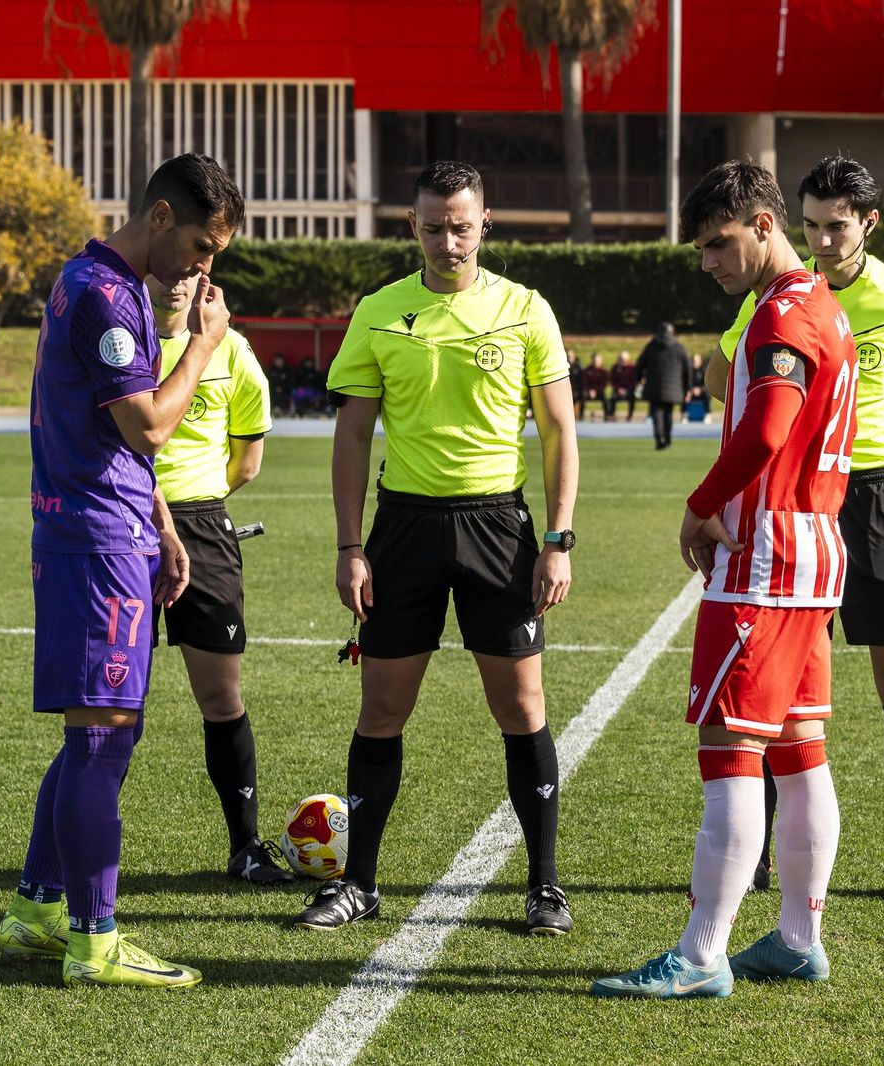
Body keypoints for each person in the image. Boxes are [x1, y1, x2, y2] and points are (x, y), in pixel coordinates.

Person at [592, 159, 857, 999]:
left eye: (720, 243)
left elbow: (770, 427)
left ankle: (703, 955)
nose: (709, 261)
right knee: (799, 747)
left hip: (768, 557)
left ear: (765, 227)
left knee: (731, 749)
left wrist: (700, 504)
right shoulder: (821, 306)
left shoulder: (782, 315)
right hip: (814, 548)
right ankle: (797, 938)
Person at [294, 160, 579, 935]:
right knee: (382, 707)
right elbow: (353, 433)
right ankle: (359, 884)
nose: (448, 239)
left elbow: (558, 431)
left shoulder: (526, 310)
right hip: (406, 529)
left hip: (498, 527)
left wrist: (557, 540)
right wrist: (351, 546)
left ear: (485, 223)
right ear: (411, 226)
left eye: (461, 224)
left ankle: (544, 885)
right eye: (432, 225)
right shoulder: (380, 312)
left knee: (521, 707)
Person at [0, 153, 241, 988]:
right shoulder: (105, 294)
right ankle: (95, 943)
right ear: (163, 218)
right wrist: (206, 346)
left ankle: (36, 907)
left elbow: (115, 440)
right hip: (95, 545)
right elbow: (147, 427)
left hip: (113, 532)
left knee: (95, 736)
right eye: (203, 248)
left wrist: (165, 524)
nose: (204, 271)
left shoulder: (107, 280)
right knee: (102, 741)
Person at [716, 155, 884, 907]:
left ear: (869, 222)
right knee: (777, 679)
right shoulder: (783, 296)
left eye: (838, 226)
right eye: (813, 226)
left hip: (869, 499)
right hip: (797, 497)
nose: (825, 241)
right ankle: (759, 854)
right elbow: (722, 367)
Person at [143, 272, 290, 887]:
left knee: (221, 698)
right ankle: (84, 853)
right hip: (123, 521)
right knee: (112, 706)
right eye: (166, 271)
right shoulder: (123, 341)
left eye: (191, 275)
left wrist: (193, 507)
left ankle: (246, 846)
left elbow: (247, 460)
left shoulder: (233, 350)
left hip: (203, 527)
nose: (178, 284)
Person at [636, 322, 691, 449]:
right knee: (668, 414)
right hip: (673, 388)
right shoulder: (679, 348)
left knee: (656, 414)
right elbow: (688, 370)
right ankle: (667, 439)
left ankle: (659, 438)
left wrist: (638, 379)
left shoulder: (651, 346)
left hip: (654, 386)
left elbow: (640, 364)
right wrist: (688, 388)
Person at [610, 350, 638, 421]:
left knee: (633, 397)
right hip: (618, 390)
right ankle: (612, 414)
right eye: (620, 359)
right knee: (613, 397)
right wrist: (618, 389)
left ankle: (630, 415)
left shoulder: (632, 368)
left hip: (629, 390)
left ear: (627, 359)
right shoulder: (615, 367)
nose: (621, 361)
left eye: (623, 360)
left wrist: (627, 390)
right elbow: (613, 381)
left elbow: (633, 381)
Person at [584, 352, 611, 421]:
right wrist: (590, 390)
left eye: (598, 361)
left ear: (601, 361)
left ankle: (607, 415)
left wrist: (595, 391)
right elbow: (585, 382)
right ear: (592, 360)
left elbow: (604, 384)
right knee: (581, 396)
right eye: (595, 360)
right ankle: (579, 415)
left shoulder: (603, 371)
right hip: (589, 392)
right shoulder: (587, 370)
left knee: (605, 398)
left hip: (599, 392)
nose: (596, 362)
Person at [267, 353, 295, 418]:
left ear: (283, 361)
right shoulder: (271, 370)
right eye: (277, 360)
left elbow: (291, 382)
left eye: (280, 361)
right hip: (273, 391)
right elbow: (268, 382)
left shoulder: (288, 370)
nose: (278, 362)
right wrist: (275, 388)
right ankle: (274, 410)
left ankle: (286, 410)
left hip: (286, 391)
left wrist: (283, 388)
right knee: (270, 395)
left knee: (289, 394)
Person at [686, 351, 712, 423]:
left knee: (707, 395)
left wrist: (700, 390)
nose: (695, 362)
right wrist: (691, 390)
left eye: (697, 361)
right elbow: (686, 382)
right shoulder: (688, 371)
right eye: (693, 361)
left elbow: (707, 384)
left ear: (700, 361)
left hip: (702, 393)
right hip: (691, 392)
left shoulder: (704, 370)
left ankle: (707, 414)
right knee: (684, 394)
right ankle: (685, 414)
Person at [566, 348, 585, 421]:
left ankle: (580, 415)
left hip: (576, 389)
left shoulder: (578, 367)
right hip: (565, 389)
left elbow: (581, 380)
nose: (569, 358)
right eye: (568, 356)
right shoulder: (562, 367)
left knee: (582, 394)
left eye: (570, 356)